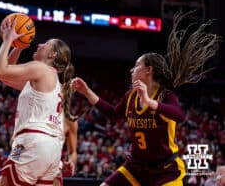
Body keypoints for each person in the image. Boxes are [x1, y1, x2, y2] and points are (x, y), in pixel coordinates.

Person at [71, 12, 221, 186]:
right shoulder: (131, 96)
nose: (131, 70)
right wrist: (87, 91)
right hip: (135, 167)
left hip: (165, 171)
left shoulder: (165, 96)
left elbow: (179, 116)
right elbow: (113, 114)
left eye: (136, 66)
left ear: (148, 70)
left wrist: (151, 103)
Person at [0, 16, 76, 186]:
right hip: (51, 150)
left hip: (34, 143)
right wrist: (18, 48)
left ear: (52, 54)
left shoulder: (41, 69)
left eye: (46, 44)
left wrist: (7, 41)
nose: (40, 44)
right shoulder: (48, 79)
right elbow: (6, 77)